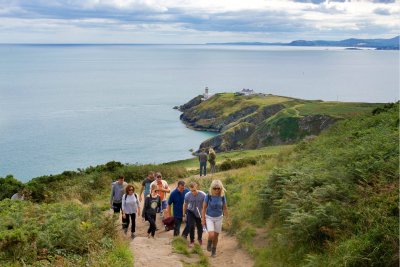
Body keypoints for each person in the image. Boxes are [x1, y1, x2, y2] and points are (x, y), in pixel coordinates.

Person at [201, 180, 228, 257]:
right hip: (209, 217)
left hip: (219, 218)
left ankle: (214, 251)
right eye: (215, 188)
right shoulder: (208, 195)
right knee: (211, 234)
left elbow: (225, 208)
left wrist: (227, 219)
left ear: (221, 188)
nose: (216, 190)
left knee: (216, 236)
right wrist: (203, 220)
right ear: (212, 188)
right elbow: (204, 208)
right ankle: (209, 242)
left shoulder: (222, 196)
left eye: (218, 188)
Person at [183, 181, 206, 247]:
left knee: (199, 226)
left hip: (200, 212)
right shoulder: (187, 195)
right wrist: (184, 214)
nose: (193, 192)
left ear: (197, 187)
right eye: (191, 191)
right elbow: (185, 205)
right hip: (191, 211)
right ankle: (192, 240)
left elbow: (206, 205)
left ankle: (199, 239)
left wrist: (204, 215)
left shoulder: (203, 195)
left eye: (194, 190)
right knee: (191, 225)